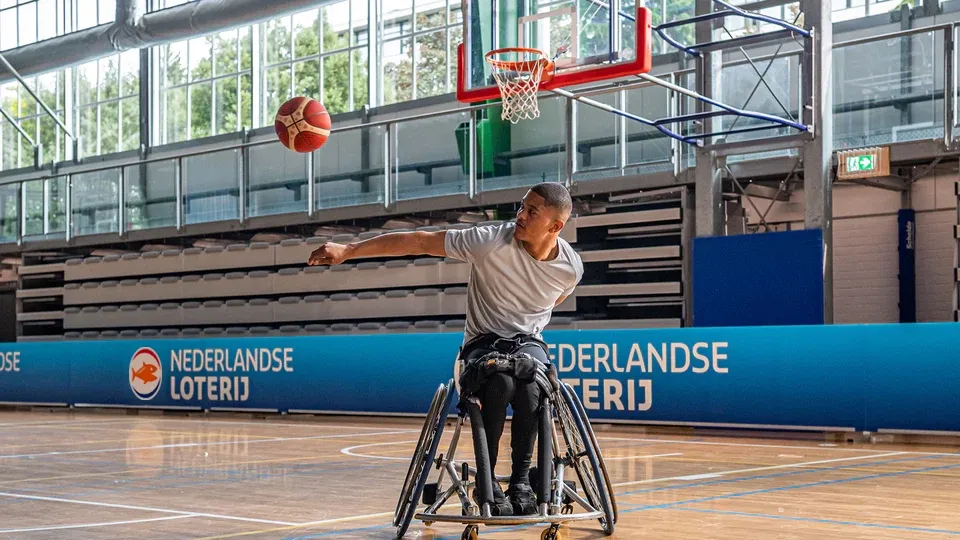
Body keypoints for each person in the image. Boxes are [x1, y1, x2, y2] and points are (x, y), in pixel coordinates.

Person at [307, 182, 583, 516]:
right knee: (501, 383)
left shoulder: (570, 267)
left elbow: (558, 296)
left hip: (528, 343)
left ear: (555, 226)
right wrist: (349, 250)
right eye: (522, 206)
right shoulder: (490, 241)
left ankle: (522, 483)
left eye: (531, 212)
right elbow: (420, 241)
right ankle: (488, 480)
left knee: (532, 387)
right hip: (483, 344)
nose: (519, 215)